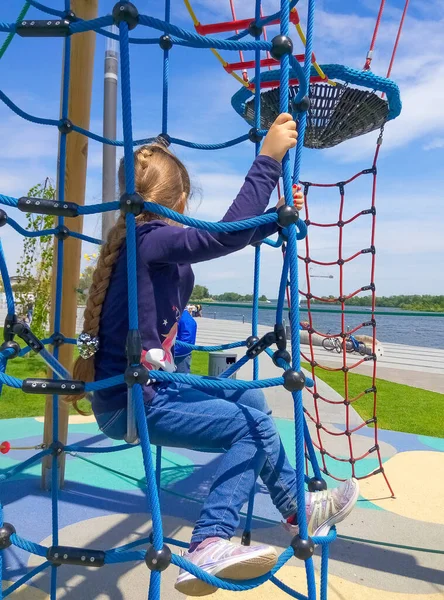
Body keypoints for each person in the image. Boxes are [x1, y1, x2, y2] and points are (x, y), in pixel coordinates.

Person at [72, 114, 359, 597]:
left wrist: (275, 216)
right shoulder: (151, 242)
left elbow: (222, 238)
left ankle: (296, 506)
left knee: (252, 403)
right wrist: (267, 161)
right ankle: (208, 542)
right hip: (134, 402)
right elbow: (221, 236)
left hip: (150, 388)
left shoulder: (144, 243)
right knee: (252, 430)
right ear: (180, 203)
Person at [175, 309, 197, 374]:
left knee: (180, 381)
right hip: (173, 355)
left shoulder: (186, 319)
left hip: (180, 357)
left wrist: (170, 351)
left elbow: (187, 342)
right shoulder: (180, 317)